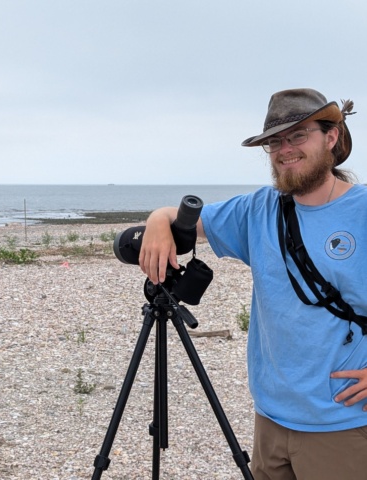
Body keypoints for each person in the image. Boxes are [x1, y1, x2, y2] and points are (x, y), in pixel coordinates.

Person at [139, 88, 367, 479]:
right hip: (271, 419)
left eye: (298, 136)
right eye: (275, 142)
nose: (285, 150)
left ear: (331, 137)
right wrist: (158, 220)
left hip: (342, 423)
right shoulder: (259, 209)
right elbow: (185, 218)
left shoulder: (361, 209)